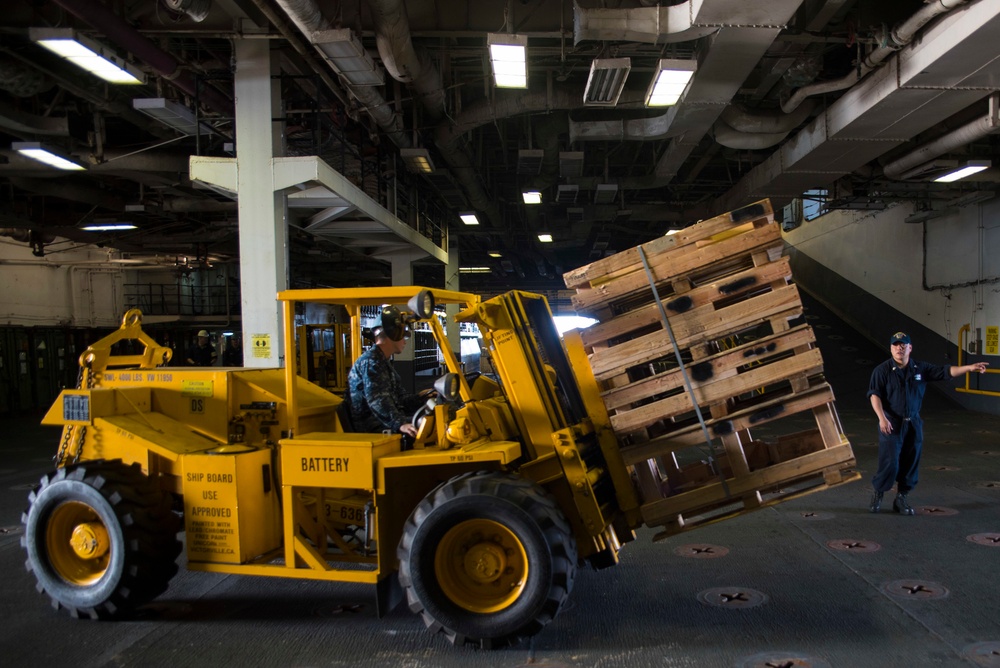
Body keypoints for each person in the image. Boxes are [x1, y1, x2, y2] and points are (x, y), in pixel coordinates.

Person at [867, 331, 988, 515]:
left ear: (910, 348)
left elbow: (946, 371)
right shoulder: (882, 371)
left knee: (911, 461)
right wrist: (882, 418)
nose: (899, 348)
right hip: (891, 423)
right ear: (891, 348)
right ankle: (879, 493)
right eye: (896, 345)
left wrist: (969, 368)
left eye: (903, 345)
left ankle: (902, 498)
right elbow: (874, 395)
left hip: (913, 423)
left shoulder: (920, 369)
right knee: (890, 462)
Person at [346, 307, 423, 437]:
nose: (405, 341)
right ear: (393, 334)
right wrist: (400, 424)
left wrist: (421, 398)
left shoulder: (382, 362)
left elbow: (399, 399)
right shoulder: (371, 362)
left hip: (383, 422)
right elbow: (377, 401)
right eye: (402, 335)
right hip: (372, 427)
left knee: (430, 420)